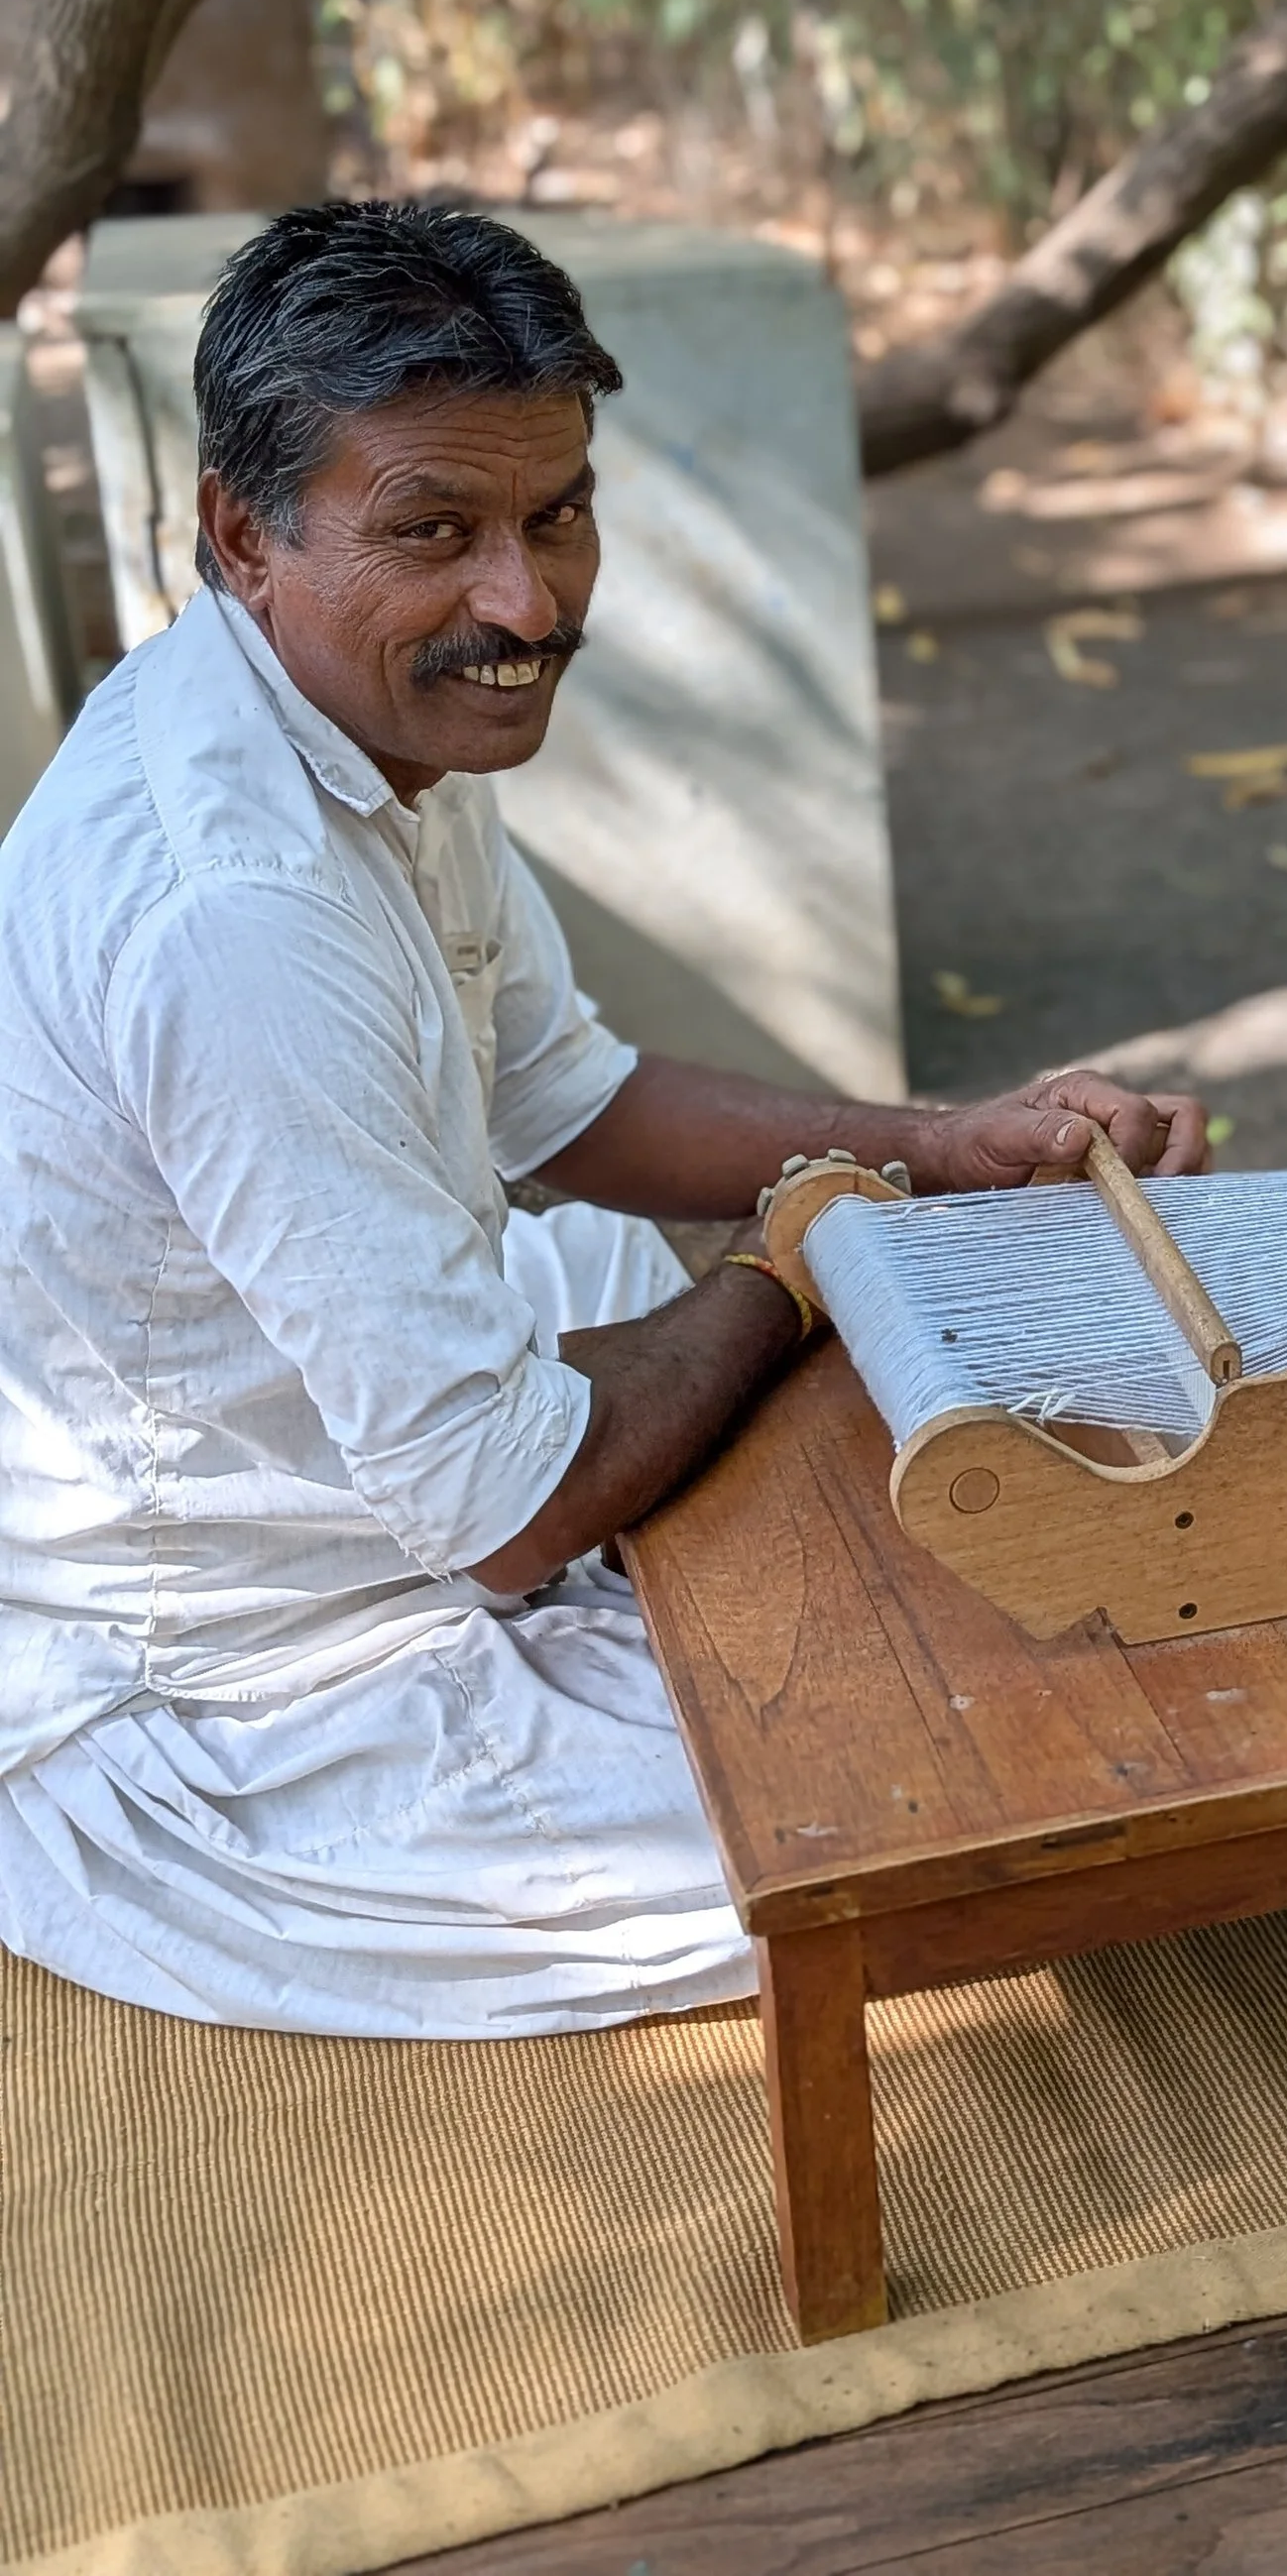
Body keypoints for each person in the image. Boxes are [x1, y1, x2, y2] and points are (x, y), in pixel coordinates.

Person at [0, 200, 1205, 2038]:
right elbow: (499, 1512)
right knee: (1028, 1750)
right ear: (243, 536)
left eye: (555, 513)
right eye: (436, 531)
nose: (529, 601)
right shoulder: (235, 910)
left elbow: (564, 1097)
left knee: (896, 1515)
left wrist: (942, 1142)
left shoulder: (372, 728)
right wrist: (802, 1258)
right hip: (246, 1696)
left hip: (364, 1460)